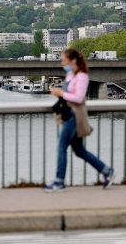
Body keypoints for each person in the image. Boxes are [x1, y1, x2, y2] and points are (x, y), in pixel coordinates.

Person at [43, 48, 115, 192]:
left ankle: (59, 181)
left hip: (73, 115)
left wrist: (60, 93)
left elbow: (78, 98)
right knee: (79, 150)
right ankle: (107, 171)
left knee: (61, 147)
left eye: (64, 60)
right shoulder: (70, 74)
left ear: (73, 61)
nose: (62, 63)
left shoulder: (82, 76)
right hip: (69, 113)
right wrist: (60, 94)